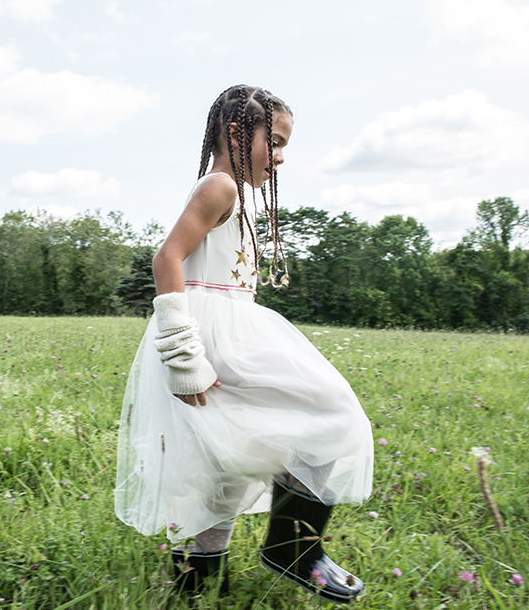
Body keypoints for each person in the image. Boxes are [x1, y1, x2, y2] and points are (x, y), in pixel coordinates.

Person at [114, 86, 374, 604]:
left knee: (223, 455)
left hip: (236, 328)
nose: (279, 158)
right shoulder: (220, 187)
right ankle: (291, 550)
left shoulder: (236, 192)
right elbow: (167, 260)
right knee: (334, 414)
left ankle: (197, 579)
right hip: (209, 337)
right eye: (273, 142)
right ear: (236, 133)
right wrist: (182, 354)